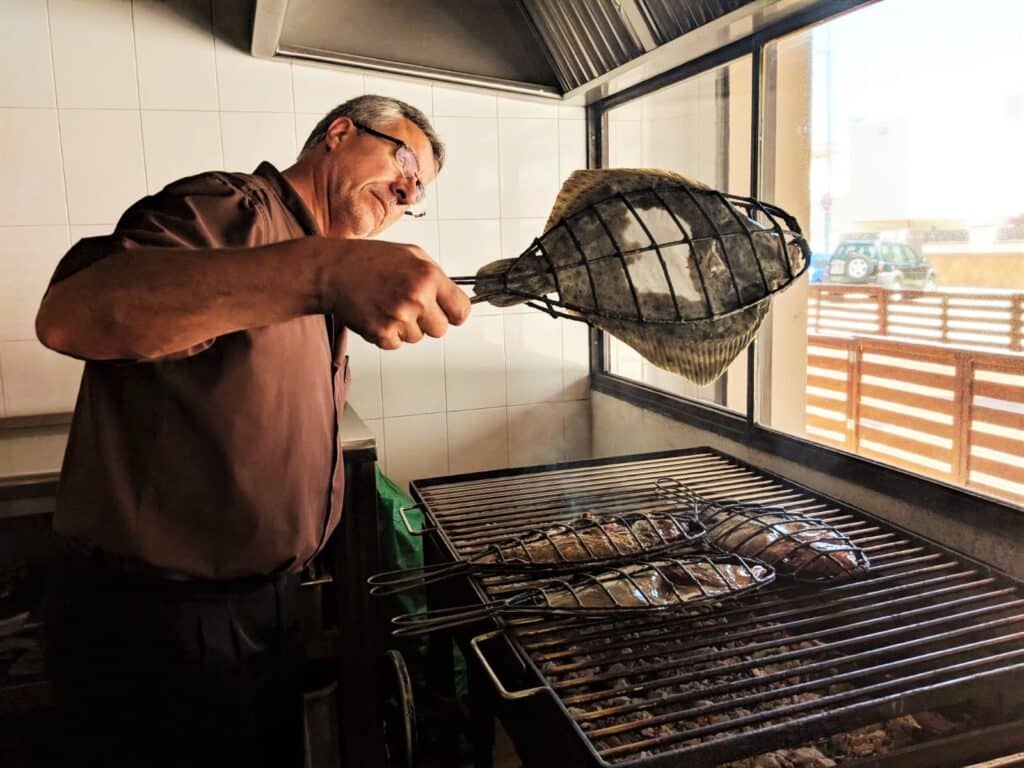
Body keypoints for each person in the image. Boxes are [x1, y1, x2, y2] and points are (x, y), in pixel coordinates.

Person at [34, 94, 470, 767]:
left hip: (260, 610)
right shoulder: (230, 210)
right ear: (339, 132)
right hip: (160, 624)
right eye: (404, 160)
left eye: (419, 193)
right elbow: (76, 314)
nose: (408, 191)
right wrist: (327, 270)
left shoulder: (319, 266)